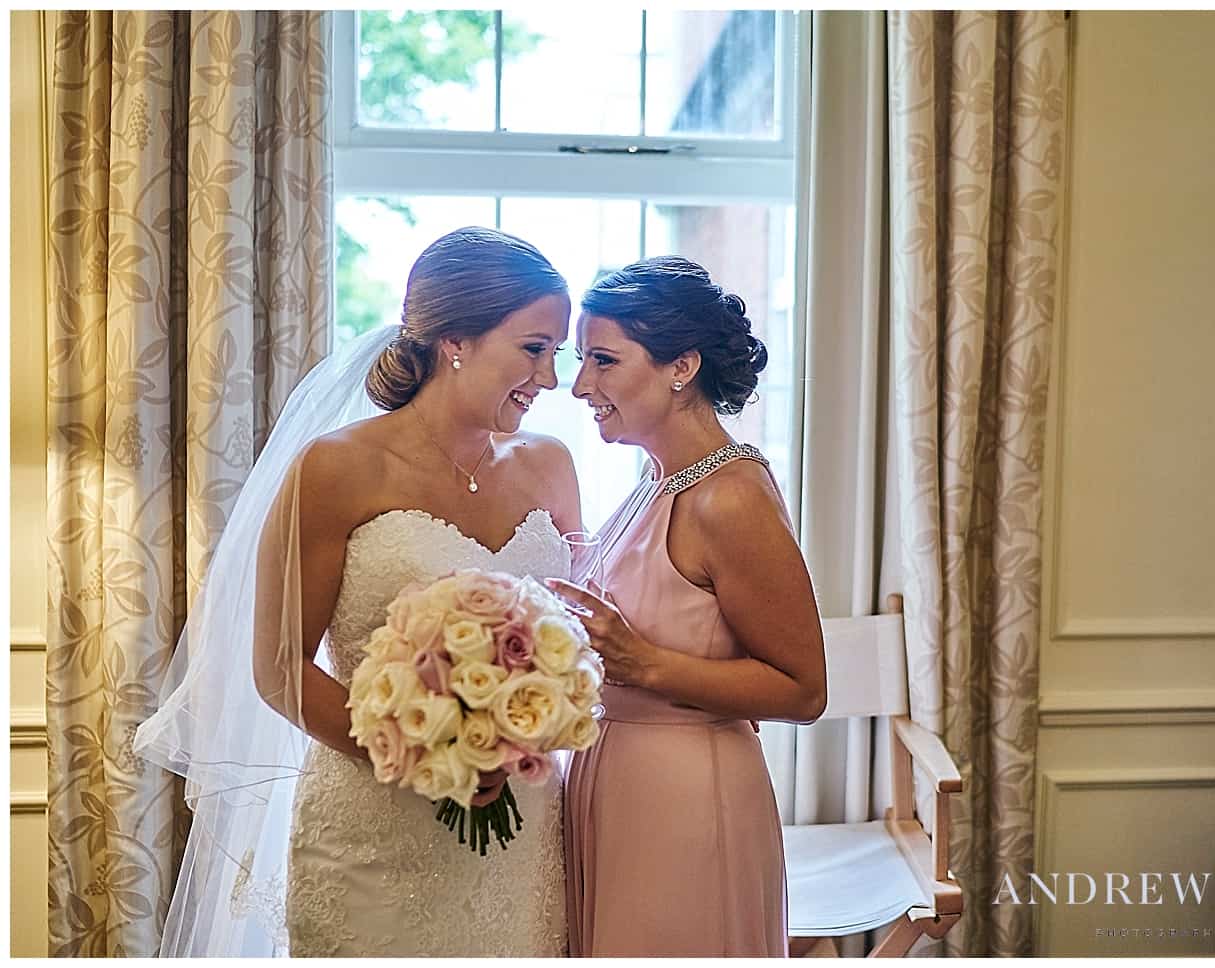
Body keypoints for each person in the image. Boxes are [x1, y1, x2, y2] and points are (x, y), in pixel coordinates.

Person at [135, 227, 580, 956]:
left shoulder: (552, 466)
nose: (550, 378)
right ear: (455, 341)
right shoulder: (337, 467)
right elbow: (280, 669)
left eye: (555, 353)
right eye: (533, 349)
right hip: (374, 826)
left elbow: (570, 632)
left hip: (521, 829)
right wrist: (433, 761)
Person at [552, 256, 827, 957]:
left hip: (687, 802)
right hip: (616, 787)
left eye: (604, 361)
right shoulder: (655, 480)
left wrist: (644, 664)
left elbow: (803, 690)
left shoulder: (730, 497)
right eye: (582, 360)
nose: (582, 385)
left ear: (682, 367)